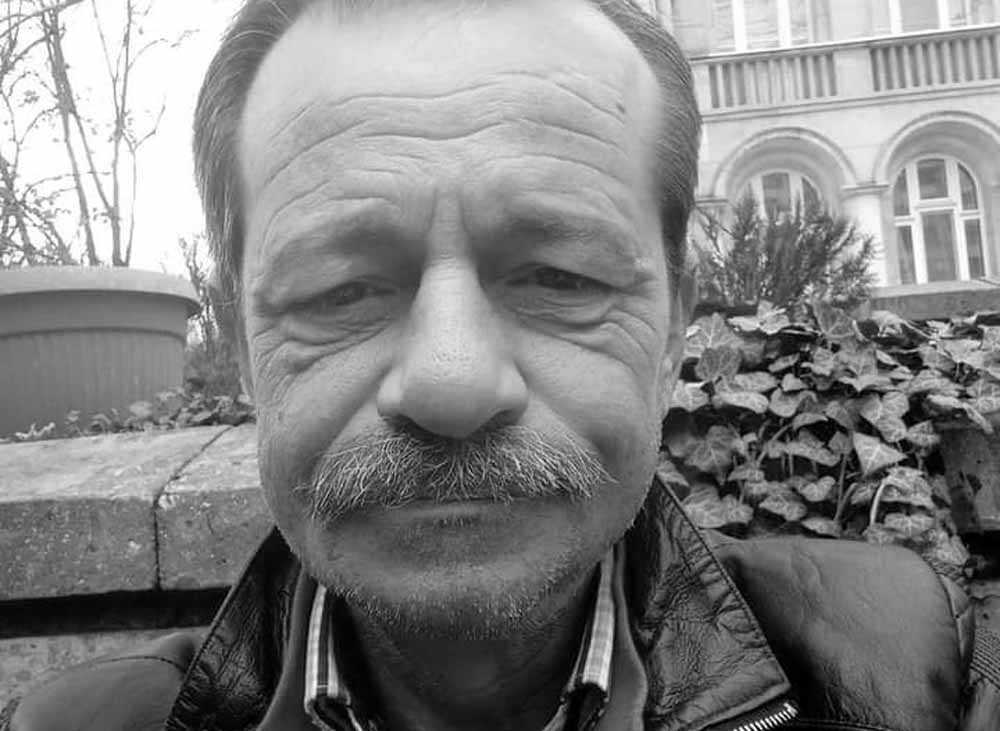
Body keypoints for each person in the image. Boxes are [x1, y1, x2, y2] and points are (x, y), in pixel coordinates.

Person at [5, 0, 1000, 729]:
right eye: (341, 291)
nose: (450, 382)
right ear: (243, 349)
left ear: (672, 329)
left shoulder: (920, 673)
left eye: (557, 276)